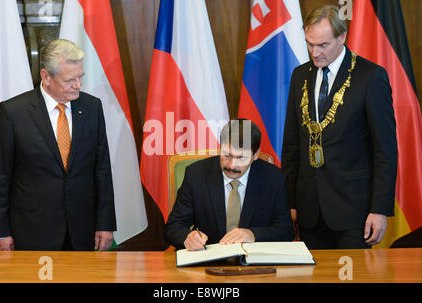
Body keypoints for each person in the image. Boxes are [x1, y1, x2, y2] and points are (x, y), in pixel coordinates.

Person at [281, 5, 397, 249]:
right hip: (309, 212)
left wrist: (379, 209)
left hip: (354, 213)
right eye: (309, 44)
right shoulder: (299, 75)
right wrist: (289, 203)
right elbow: (291, 145)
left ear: (342, 37)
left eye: (322, 45)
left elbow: (385, 151)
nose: (315, 52)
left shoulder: (371, 77)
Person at [0, 39, 116, 251]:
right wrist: (0, 231)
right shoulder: (12, 113)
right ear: (46, 77)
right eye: (69, 80)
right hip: (31, 231)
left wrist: (105, 224)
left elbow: (102, 170)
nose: (78, 85)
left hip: (82, 230)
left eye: (80, 77)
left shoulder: (92, 107)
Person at [165, 119, 294, 250]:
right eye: (227, 155)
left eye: (241, 158)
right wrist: (188, 237)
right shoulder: (196, 175)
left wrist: (253, 235)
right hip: (209, 262)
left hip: (254, 263)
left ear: (255, 155)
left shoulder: (273, 178)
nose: (232, 165)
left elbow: (285, 230)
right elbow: (174, 226)